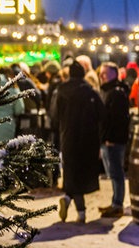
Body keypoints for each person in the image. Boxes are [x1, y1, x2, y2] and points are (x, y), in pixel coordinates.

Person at [53, 59, 104, 223]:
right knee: (81, 175)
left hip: (68, 137)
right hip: (88, 139)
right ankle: (80, 211)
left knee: (71, 173)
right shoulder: (90, 91)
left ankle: (70, 201)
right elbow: (102, 115)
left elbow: (54, 116)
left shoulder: (61, 90)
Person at [98, 62, 130, 218]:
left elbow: (118, 120)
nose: (101, 76)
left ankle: (118, 204)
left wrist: (110, 138)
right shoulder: (108, 91)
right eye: (101, 73)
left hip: (113, 141)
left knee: (116, 173)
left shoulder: (116, 93)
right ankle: (114, 202)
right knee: (113, 173)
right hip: (107, 140)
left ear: (114, 74)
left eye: (105, 73)